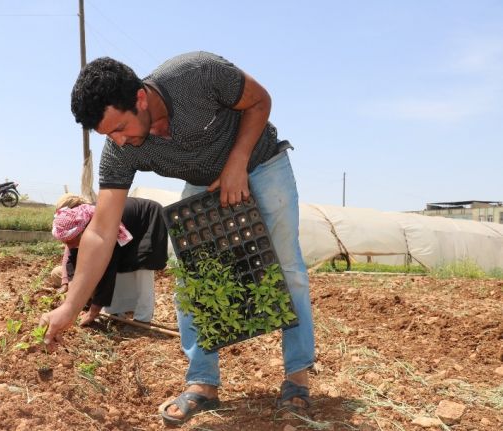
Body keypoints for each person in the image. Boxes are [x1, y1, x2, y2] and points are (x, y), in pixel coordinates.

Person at [39, 51, 315, 425]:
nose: (118, 141)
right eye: (108, 135)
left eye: (120, 128)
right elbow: (101, 231)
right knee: (191, 277)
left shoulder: (196, 75)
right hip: (205, 181)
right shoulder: (119, 150)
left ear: (140, 98)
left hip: (262, 162)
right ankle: (202, 383)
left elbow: (260, 100)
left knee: (286, 268)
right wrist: (71, 307)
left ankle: (296, 379)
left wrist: (237, 163)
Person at [51, 196, 168, 325]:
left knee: (142, 264)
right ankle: (117, 312)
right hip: (126, 221)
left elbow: (108, 269)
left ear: (82, 232)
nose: (69, 245)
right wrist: (71, 298)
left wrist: (93, 312)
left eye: (70, 241)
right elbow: (72, 259)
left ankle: (142, 318)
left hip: (148, 218)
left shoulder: (102, 228)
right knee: (121, 266)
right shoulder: (80, 224)